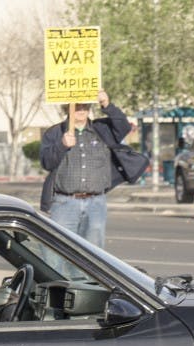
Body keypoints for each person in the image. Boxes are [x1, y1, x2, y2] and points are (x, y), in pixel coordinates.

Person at [39, 90, 132, 249]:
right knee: (58, 252)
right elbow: (47, 163)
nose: (81, 109)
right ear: (68, 107)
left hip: (96, 203)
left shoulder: (101, 129)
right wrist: (62, 145)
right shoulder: (54, 133)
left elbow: (123, 127)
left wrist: (106, 104)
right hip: (64, 203)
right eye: (77, 106)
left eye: (85, 105)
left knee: (92, 255)